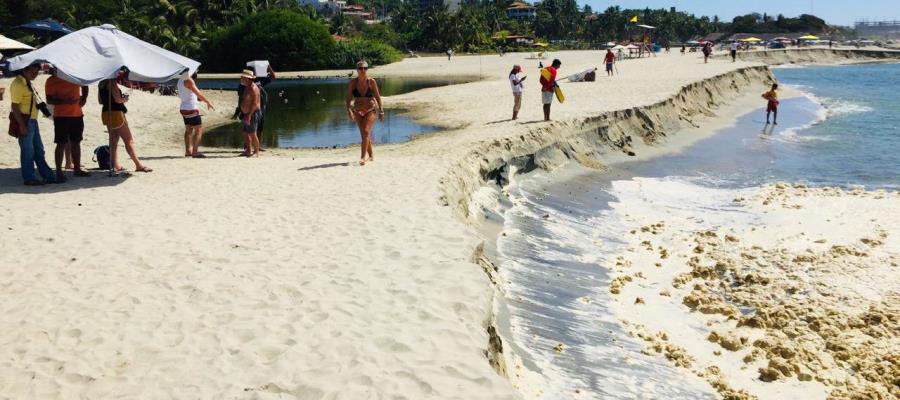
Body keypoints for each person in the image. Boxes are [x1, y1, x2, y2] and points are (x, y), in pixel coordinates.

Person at [10, 63, 55, 185]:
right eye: (33, 72)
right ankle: (29, 178)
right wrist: (21, 125)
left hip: (32, 120)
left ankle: (48, 176)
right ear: (25, 70)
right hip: (25, 121)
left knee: (38, 150)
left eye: (36, 73)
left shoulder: (26, 81)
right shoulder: (18, 84)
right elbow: (14, 106)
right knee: (28, 151)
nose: (35, 75)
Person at [46, 67, 90, 181]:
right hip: (61, 116)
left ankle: (77, 169)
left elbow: (85, 85)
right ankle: (59, 172)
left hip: (77, 114)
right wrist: (65, 101)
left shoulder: (74, 76)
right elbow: (49, 100)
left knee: (76, 142)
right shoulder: (52, 80)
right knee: (61, 143)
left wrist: (84, 98)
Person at [99, 78, 152, 172]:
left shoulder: (101, 83)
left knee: (113, 140)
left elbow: (100, 101)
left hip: (106, 113)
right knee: (128, 140)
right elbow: (118, 100)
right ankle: (138, 165)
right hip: (116, 113)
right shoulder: (112, 82)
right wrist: (125, 98)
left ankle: (115, 165)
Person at [345, 60, 383, 165]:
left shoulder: (371, 81)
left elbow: (378, 97)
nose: (363, 70)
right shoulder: (353, 83)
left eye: (365, 68)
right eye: (360, 68)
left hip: (370, 109)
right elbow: (348, 98)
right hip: (357, 110)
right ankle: (371, 156)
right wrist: (348, 110)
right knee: (364, 134)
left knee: (366, 131)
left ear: (367, 69)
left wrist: (381, 111)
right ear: (357, 70)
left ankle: (362, 157)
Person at [177, 71, 214, 158]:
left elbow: (189, 92)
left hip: (183, 108)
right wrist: (208, 102)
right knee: (198, 130)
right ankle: (195, 152)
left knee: (188, 130)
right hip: (191, 109)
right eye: (196, 70)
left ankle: (188, 151)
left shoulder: (180, 80)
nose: (197, 71)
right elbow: (199, 93)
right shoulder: (189, 80)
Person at [239, 69, 261, 157]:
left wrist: (249, 115)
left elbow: (255, 104)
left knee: (252, 133)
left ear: (247, 79)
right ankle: (248, 150)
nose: (241, 78)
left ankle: (256, 152)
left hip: (253, 113)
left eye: (242, 77)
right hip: (246, 113)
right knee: (245, 132)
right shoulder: (247, 86)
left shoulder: (253, 88)